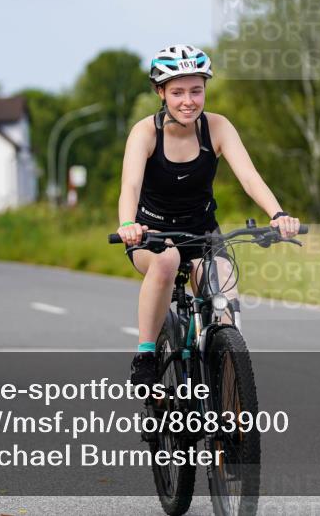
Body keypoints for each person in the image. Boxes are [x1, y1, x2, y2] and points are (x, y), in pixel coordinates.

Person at [116, 44, 301, 388]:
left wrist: (277, 214)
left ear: (205, 90)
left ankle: (226, 388)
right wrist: (128, 225)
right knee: (167, 261)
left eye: (196, 90)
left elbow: (249, 176)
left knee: (224, 289)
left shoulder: (216, 127)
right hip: (152, 235)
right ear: (160, 92)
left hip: (203, 234)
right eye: (178, 92)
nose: (188, 101)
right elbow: (130, 184)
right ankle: (144, 355)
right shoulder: (145, 132)